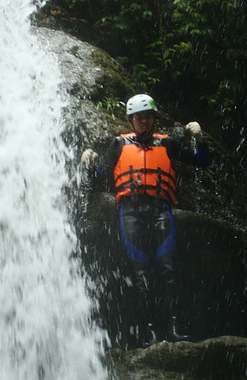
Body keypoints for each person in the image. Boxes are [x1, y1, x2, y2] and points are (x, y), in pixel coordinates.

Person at [80, 94, 210, 347]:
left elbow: (202, 161)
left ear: (153, 118)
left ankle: (173, 329)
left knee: (168, 269)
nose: (143, 121)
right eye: (138, 118)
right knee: (141, 274)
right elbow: (99, 177)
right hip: (130, 211)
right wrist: (90, 165)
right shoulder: (119, 145)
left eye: (147, 116)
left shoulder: (168, 144)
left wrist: (200, 139)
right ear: (131, 120)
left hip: (160, 209)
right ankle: (149, 333)